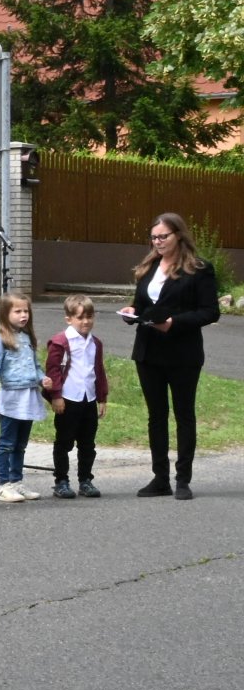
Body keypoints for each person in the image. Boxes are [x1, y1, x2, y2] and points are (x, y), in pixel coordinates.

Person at [120, 212, 220, 500]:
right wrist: (130, 312)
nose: (158, 242)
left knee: (184, 414)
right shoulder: (148, 266)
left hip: (182, 352)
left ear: (179, 235)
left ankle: (183, 480)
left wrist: (174, 323)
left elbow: (209, 311)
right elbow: (142, 304)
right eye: (154, 237)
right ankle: (159, 477)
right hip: (148, 351)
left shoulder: (199, 269)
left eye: (163, 236)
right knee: (156, 416)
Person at [0, 292, 51, 504]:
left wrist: (42, 379)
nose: (23, 315)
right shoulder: (0, 339)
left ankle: (16, 481)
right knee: (6, 443)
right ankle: (2, 485)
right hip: (12, 397)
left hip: (29, 396)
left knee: (21, 444)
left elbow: (35, 365)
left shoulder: (28, 338)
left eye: (26, 311)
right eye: (18, 311)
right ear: (5, 314)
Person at [44, 295, 109, 500]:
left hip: (88, 399)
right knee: (64, 441)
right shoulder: (60, 342)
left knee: (87, 443)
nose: (86, 321)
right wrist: (56, 395)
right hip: (68, 398)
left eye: (89, 317)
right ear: (69, 319)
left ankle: (85, 480)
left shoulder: (95, 343)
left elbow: (98, 370)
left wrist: (102, 397)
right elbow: (53, 370)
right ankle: (61, 481)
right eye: (80, 317)